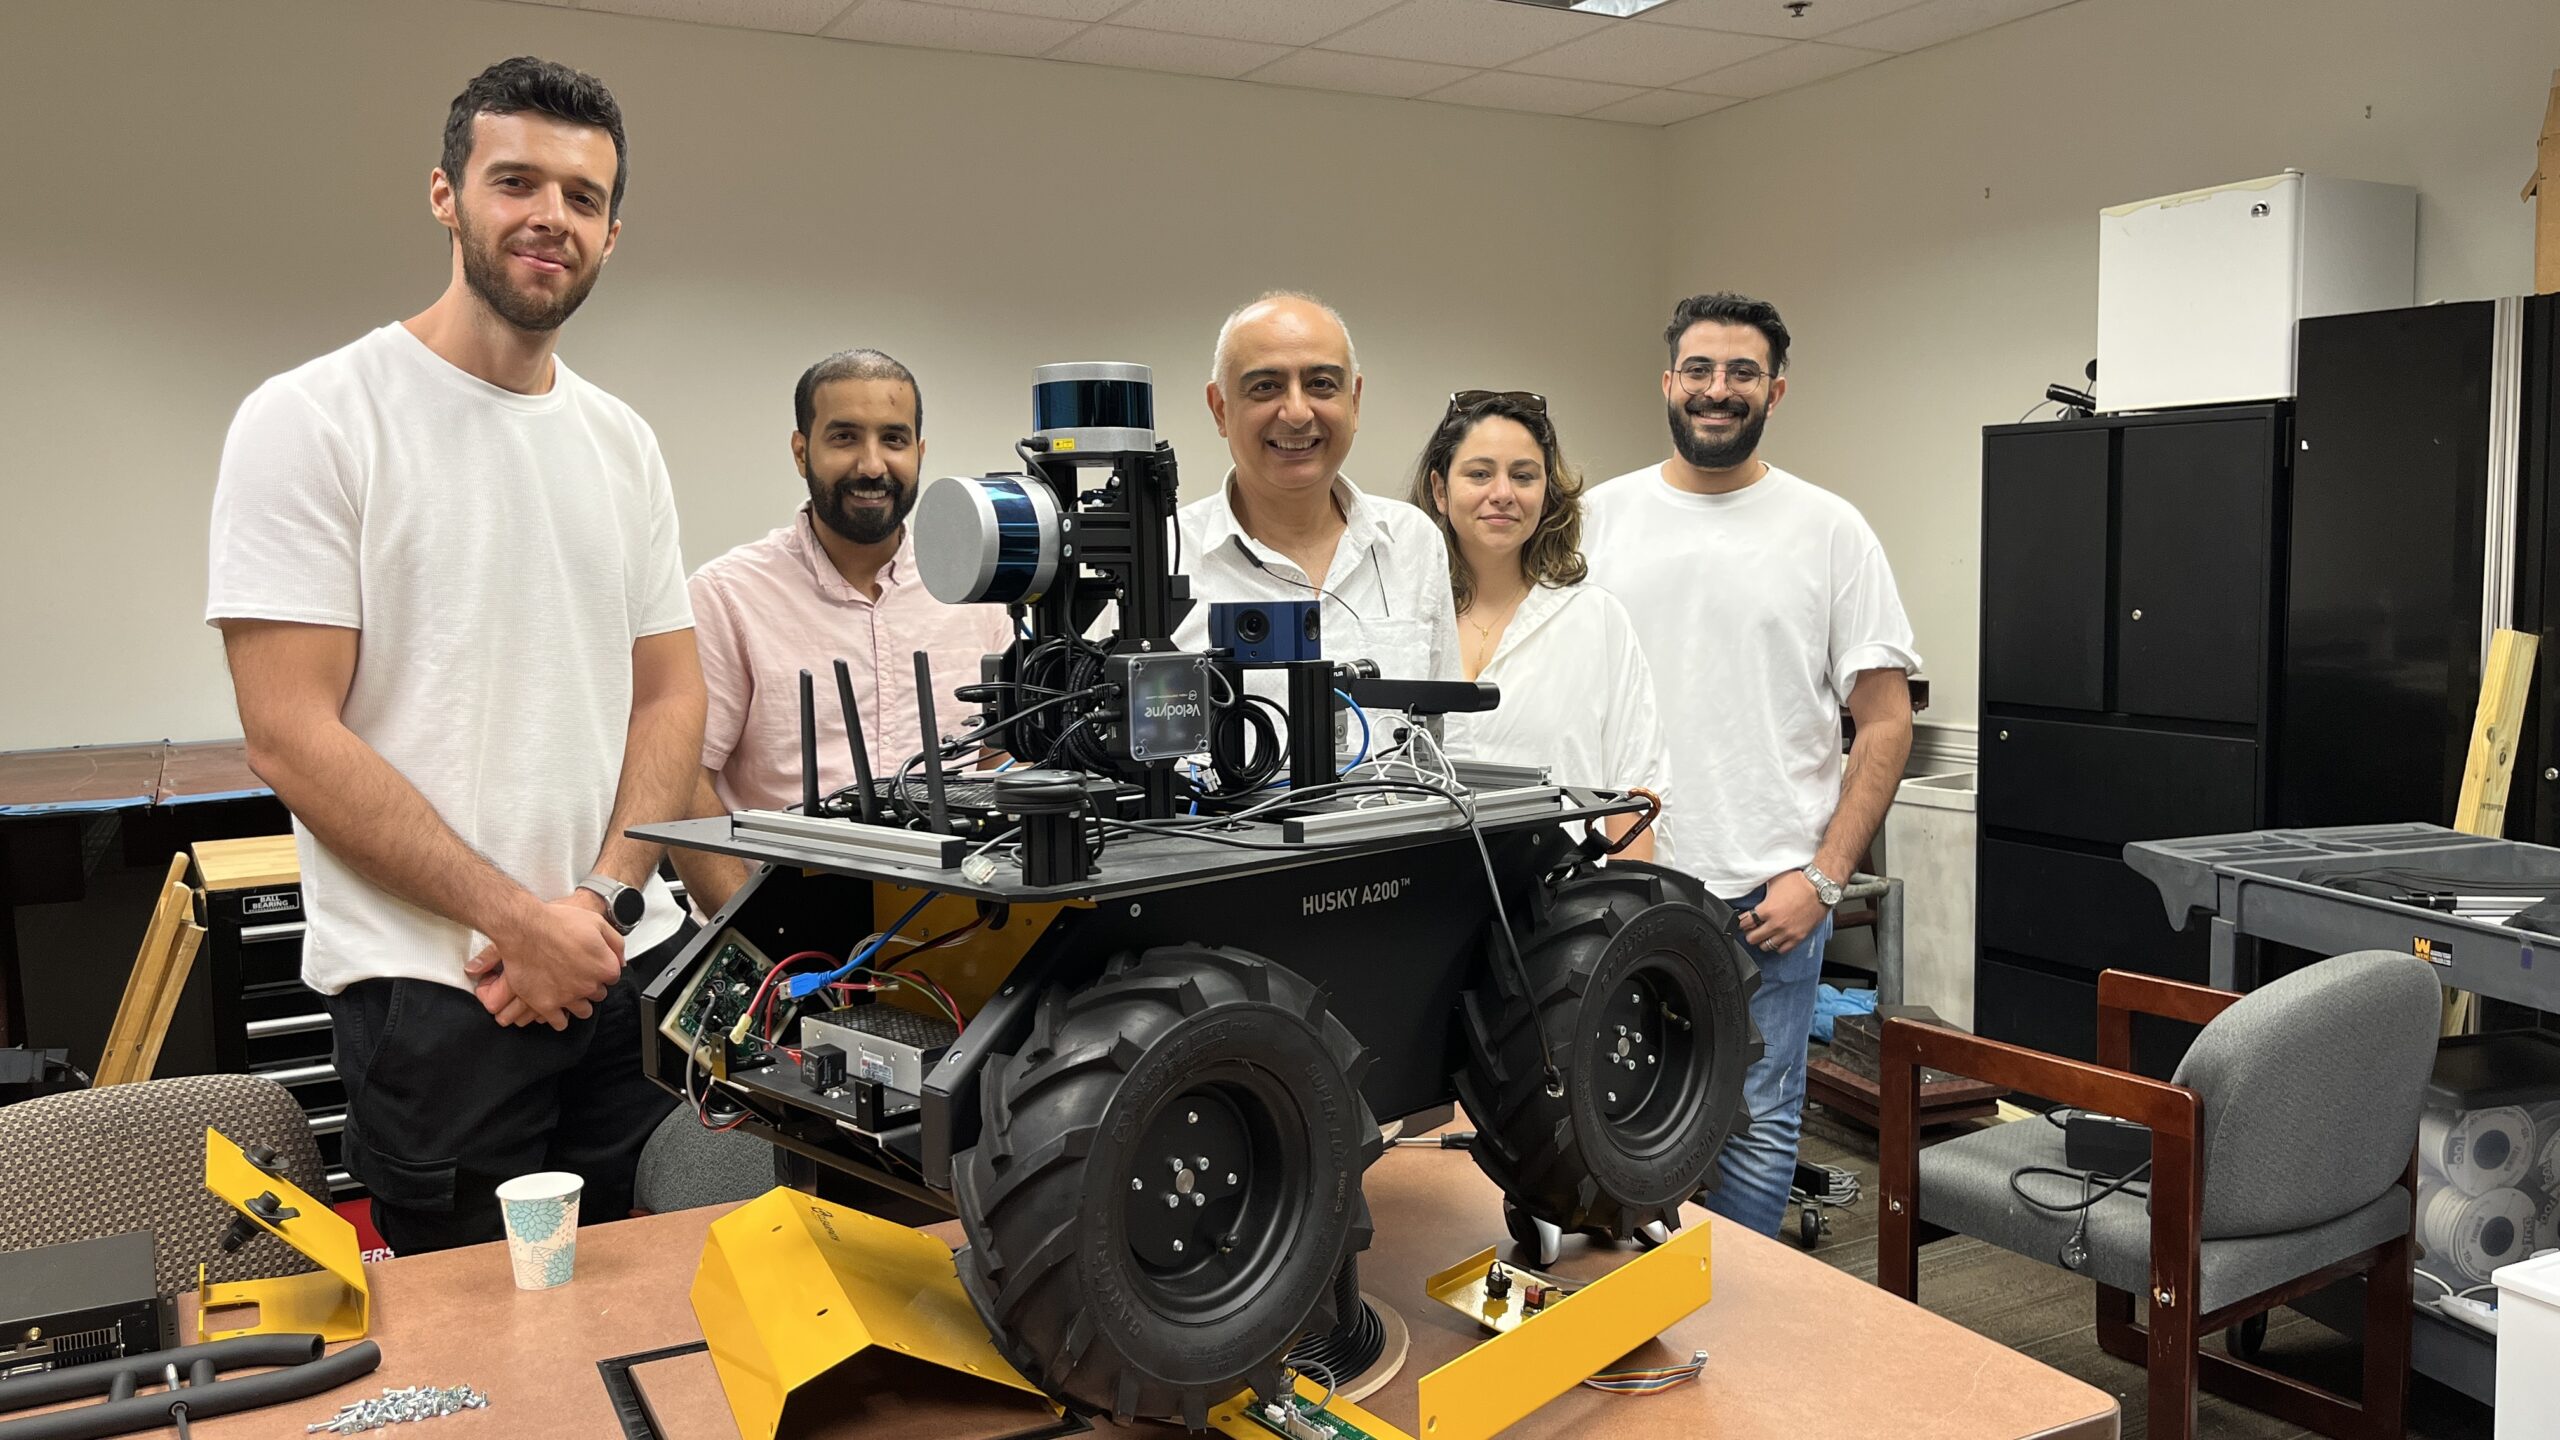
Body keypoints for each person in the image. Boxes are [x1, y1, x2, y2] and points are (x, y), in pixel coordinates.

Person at [206, 57, 704, 1253]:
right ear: (446, 195)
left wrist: (598, 901)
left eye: (582, 198)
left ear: (612, 231)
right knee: (485, 1368)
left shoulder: (621, 442)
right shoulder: (316, 418)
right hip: (438, 998)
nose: (551, 217)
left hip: (618, 973)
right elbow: (289, 733)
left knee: (657, 1322)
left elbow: (672, 694)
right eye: (515, 181)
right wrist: (516, 921)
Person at [1582, 292, 1919, 1238]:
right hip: (1622, 887)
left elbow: (1885, 723)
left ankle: (1741, 1339)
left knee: (1759, 1121)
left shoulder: (1830, 529)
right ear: (1667, 382)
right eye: (1698, 370)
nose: (1717, 391)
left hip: (1770, 900)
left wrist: (1825, 876)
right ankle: (1636, 1317)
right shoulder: (1599, 520)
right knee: (1611, 1118)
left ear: (1775, 388)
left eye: (1740, 373)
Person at [671, 350, 1011, 915]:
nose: (873, 465)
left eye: (894, 440)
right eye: (846, 438)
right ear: (802, 451)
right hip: (786, 929)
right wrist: (753, 936)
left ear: (920, 453)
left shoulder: (976, 592)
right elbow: (685, 783)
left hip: (957, 927)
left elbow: (1004, 763)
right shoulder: (728, 596)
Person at [1176, 294, 1462, 754]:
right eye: (1266, 387)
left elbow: (1449, 736)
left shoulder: (1412, 542)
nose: (1296, 412)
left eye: (1321, 384)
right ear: (1220, 409)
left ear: (1355, 401)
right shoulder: (1163, 554)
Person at [1411, 390, 1672, 861]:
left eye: (1523, 476)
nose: (1503, 493)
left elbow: (1636, 790)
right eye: (1479, 473)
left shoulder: (1594, 619)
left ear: (1546, 493)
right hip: (1421, 907)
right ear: (1439, 490)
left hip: (1565, 911)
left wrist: (1613, 917)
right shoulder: (1404, 621)